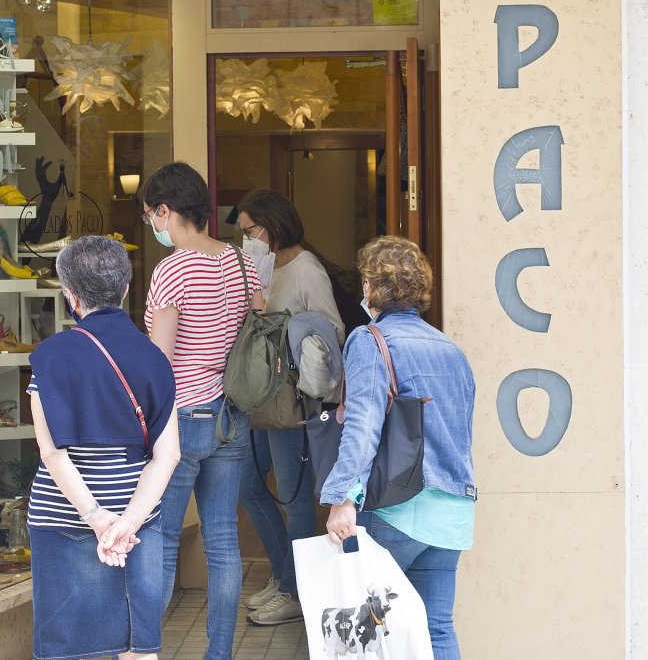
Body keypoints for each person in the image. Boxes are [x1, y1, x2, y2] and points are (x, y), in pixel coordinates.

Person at [27, 235, 181, 660]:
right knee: (138, 650)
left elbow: (52, 453)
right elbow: (168, 455)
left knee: (65, 649)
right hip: (138, 525)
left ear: (69, 294)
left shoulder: (49, 356)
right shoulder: (154, 359)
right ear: (127, 289)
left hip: (61, 519)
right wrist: (127, 524)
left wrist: (97, 520)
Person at [323, 235, 476, 660]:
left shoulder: (370, 340)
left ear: (373, 287)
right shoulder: (451, 349)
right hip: (453, 510)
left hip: (398, 507)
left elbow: (363, 424)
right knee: (438, 628)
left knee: (367, 632)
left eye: (365, 283)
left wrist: (342, 498)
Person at [142, 162, 265, 659]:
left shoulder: (171, 269)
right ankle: (220, 655)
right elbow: (258, 332)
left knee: (164, 541)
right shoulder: (241, 262)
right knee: (222, 543)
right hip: (232, 414)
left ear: (167, 211)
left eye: (152, 214)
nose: (153, 224)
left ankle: (147, 650)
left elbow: (159, 361)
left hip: (183, 417)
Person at [235, 190, 345, 626]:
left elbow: (331, 330)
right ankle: (286, 574)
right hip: (260, 394)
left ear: (272, 225)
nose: (245, 239)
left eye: (250, 230)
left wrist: (283, 330)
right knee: (248, 484)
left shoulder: (306, 270)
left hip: (291, 398)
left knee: (293, 495)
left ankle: (295, 591)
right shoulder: (264, 267)